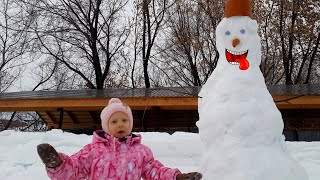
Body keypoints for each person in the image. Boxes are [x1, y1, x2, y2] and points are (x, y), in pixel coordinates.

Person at [37, 98, 202, 180]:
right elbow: (75, 169)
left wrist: (176, 177)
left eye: (125, 120)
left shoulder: (141, 151)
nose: (120, 124)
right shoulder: (93, 150)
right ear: (106, 126)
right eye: (114, 121)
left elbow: (155, 171)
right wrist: (58, 164)